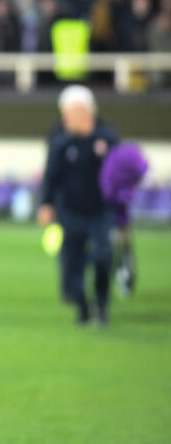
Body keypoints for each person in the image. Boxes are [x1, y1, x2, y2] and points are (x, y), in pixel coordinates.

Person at [37, 85, 119, 325]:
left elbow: (120, 175)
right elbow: (51, 175)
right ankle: (82, 307)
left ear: (86, 112)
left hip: (101, 211)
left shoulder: (107, 138)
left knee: (103, 257)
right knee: (72, 263)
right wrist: (46, 204)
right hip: (71, 211)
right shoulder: (61, 141)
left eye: (70, 113)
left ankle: (102, 304)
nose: (65, 119)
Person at [99, 141, 148, 298]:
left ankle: (122, 271)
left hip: (112, 209)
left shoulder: (112, 162)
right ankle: (123, 270)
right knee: (121, 241)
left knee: (115, 243)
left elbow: (107, 189)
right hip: (117, 207)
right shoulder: (125, 158)